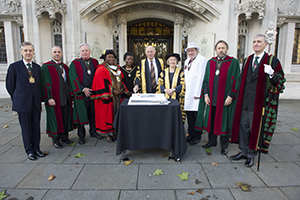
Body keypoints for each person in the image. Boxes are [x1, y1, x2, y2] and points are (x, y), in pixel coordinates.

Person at [230, 34, 285, 167]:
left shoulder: (272, 61)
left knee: (254, 129)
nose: (256, 44)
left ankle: (251, 154)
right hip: (245, 101)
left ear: (265, 44)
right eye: (254, 41)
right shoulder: (248, 59)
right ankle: (243, 151)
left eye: (259, 42)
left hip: (259, 103)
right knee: (243, 127)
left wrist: (272, 74)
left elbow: (280, 83)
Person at [194, 40, 240, 155]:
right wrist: (205, 94)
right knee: (212, 121)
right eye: (219, 48)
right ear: (215, 50)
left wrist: (231, 95)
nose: (221, 50)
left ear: (227, 49)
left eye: (223, 48)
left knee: (224, 121)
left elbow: (236, 80)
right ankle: (212, 141)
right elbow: (205, 80)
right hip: (212, 98)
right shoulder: (211, 62)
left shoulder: (233, 62)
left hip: (225, 99)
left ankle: (224, 145)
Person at [6, 42, 46, 160]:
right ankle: (29, 150)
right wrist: (18, 97)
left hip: (35, 102)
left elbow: (39, 85)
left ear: (33, 52)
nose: (28, 53)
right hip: (22, 103)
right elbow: (10, 86)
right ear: (21, 52)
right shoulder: (14, 67)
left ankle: (37, 148)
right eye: (25, 50)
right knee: (26, 127)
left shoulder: (37, 67)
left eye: (30, 50)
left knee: (36, 126)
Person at [69, 43, 103, 145]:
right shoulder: (75, 63)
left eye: (86, 50)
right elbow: (73, 78)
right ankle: (81, 136)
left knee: (93, 114)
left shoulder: (94, 61)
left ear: (90, 51)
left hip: (92, 93)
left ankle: (93, 132)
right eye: (83, 51)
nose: (85, 52)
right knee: (81, 116)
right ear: (80, 52)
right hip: (81, 94)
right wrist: (83, 89)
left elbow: (98, 76)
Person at [91, 49, 128, 142]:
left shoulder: (118, 68)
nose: (111, 58)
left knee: (117, 115)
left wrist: (122, 89)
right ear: (105, 59)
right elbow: (101, 83)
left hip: (118, 97)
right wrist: (112, 91)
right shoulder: (101, 69)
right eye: (109, 57)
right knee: (107, 116)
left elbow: (122, 80)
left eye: (112, 57)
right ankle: (108, 135)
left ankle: (115, 133)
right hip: (108, 97)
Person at [41, 46, 74, 148]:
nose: (57, 54)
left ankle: (65, 137)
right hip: (54, 99)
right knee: (55, 119)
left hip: (65, 98)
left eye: (59, 52)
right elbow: (45, 83)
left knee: (65, 118)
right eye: (55, 52)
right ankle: (55, 139)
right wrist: (48, 98)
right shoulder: (46, 67)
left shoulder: (65, 67)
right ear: (51, 54)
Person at [184, 42, 207, 145]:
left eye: (192, 50)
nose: (190, 52)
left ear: (197, 51)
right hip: (188, 93)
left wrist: (198, 93)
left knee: (197, 116)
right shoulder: (187, 61)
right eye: (189, 51)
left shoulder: (201, 60)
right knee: (190, 116)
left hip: (196, 93)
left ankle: (197, 136)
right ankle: (190, 134)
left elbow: (201, 77)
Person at [156, 53, 186, 122]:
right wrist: (166, 90)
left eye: (174, 60)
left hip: (177, 97)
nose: (172, 62)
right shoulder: (163, 72)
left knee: (176, 116)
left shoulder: (181, 72)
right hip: (165, 97)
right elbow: (159, 83)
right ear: (168, 62)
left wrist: (173, 90)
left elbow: (183, 84)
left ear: (177, 62)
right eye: (171, 60)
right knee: (166, 116)